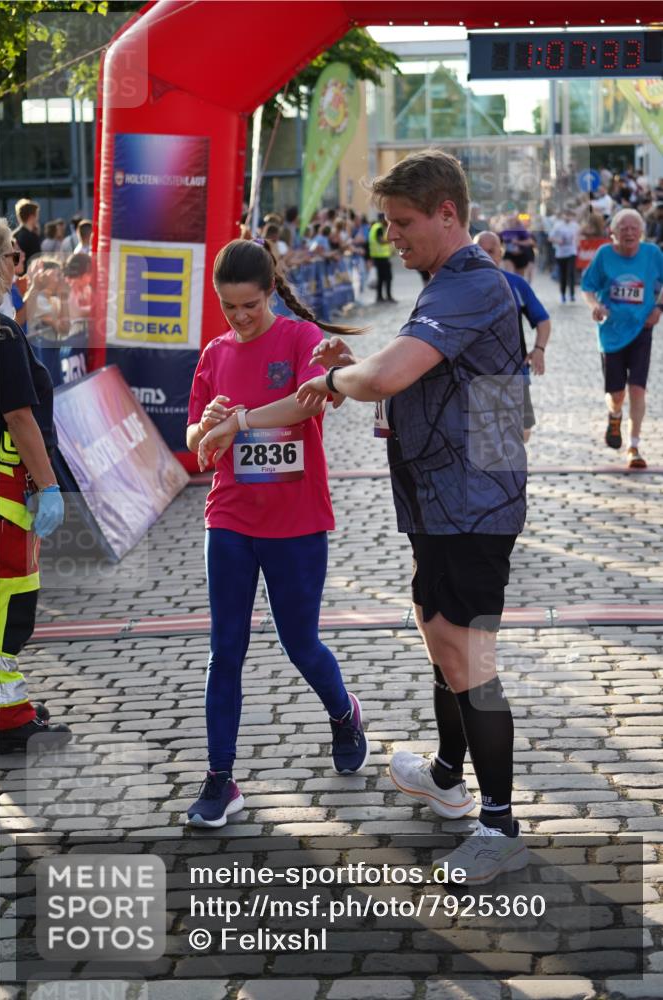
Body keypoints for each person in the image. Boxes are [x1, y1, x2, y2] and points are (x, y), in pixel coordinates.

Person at [297, 150, 528, 884]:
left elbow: (388, 377)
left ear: (446, 215)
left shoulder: (470, 282)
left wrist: (342, 376)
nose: (389, 236)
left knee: (469, 663)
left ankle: (498, 825)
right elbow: (505, 409)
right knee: (439, 635)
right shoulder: (453, 284)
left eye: (401, 223)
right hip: (450, 503)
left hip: (467, 511)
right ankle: (445, 774)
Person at [184, 237, 369, 828]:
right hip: (230, 517)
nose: (240, 317)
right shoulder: (213, 353)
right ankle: (220, 778)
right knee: (225, 651)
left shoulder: (298, 338)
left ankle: (343, 714)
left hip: (296, 521)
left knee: (300, 643)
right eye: (229, 306)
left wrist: (239, 418)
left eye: (251, 306)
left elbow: (308, 402)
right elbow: (191, 440)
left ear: (270, 294)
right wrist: (208, 426)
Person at [0, 217, 71, 753]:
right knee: (8, 610)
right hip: (4, 496)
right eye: (10, 256)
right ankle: (9, 718)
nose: (15, 266)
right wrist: (47, 486)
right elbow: (20, 416)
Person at [581, 208, 663, 469]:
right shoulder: (605, 255)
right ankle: (615, 415)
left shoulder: (652, 253)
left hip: (641, 328)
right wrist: (595, 305)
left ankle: (634, 446)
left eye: (633, 228)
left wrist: (658, 308)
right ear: (612, 232)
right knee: (616, 394)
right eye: (623, 228)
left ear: (641, 232)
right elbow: (588, 287)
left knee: (638, 389)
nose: (629, 232)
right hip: (611, 332)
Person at [474, 231, 551, 442]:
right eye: (480, 251)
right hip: (475, 375)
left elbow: (543, 320)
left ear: (500, 254)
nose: (486, 256)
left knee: (522, 434)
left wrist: (539, 349)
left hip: (515, 371)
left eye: (491, 251)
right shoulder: (461, 287)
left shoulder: (516, 284)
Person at [549, 208, 581, 303]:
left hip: (572, 251)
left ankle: (572, 294)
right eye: (566, 215)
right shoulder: (558, 225)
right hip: (561, 253)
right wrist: (557, 241)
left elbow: (579, 236)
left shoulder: (575, 226)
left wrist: (577, 242)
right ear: (563, 216)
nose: (568, 217)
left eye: (569, 215)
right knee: (563, 274)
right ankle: (562, 294)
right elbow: (550, 238)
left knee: (571, 273)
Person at [499, 214, 536, 283]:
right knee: (510, 274)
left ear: (516, 221)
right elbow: (498, 241)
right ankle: (511, 290)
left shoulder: (521, 230)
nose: (510, 222)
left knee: (519, 277)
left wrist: (518, 242)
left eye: (512, 221)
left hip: (521, 255)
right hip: (509, 255)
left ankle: (518, 289)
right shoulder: (504, 232)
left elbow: (530, 242)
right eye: (509, 221)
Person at [368, 212, 396, 303]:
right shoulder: (379, 228)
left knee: (380, 278)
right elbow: (380, 241)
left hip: (377, 257)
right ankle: (388, 296)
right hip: (381, 257)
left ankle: (380, 297)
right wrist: (390, 241)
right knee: (388, 277)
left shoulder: (374, 227)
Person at [12, 199, 42, 272]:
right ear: (31, 217)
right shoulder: (31, 237)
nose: (38, 218)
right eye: (37, 215)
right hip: (29, 277)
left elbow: (14, 262)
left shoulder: (14, 235)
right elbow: (37, 260)